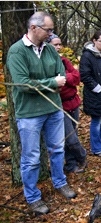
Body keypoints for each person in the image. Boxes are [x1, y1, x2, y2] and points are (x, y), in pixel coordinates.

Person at [6, 11, 76, 215]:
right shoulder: (17, 51)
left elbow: (61, 76)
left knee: (57, 149)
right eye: (48, 30)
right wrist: (51, 83)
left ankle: (60, 182)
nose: (51, 33)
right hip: (29, 114)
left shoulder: (50, 50)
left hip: (53, 109)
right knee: (31, 157)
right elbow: (23, 84)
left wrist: (50, 83)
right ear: (34, 28)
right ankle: (32, 196)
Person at [47, 34, 87, 174]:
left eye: (59, 44)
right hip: (60, 106)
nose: (58, 47)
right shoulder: (46, 64)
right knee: (71, 139)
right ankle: (82, 156)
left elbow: (76, 77)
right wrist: (64, 80)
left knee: (71, 135)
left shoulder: (64, 61)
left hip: (73, 103)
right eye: (55, 44)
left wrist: (64, 78)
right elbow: (54, 86)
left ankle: (71, 164)